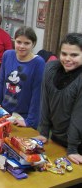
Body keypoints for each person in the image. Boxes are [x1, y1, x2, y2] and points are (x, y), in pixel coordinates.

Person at [36, 33, 82, 164]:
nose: (67, 59)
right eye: (64, 54)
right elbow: (45, 102)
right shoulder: (50, 68)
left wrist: (72, 148)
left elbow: (78, 115)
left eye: (74, 55)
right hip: (57, 138)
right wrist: (43, 132)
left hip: (77, 144)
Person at [0, 26, 45, 129]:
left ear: (33, 44)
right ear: (14, 41)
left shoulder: (38, 62)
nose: (22, 46)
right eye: (19, 42)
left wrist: (30, 121)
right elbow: (1, 82)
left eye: (27, 43)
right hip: (5, 111)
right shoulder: (7, 55)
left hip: (23, 116)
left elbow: (37, 94)